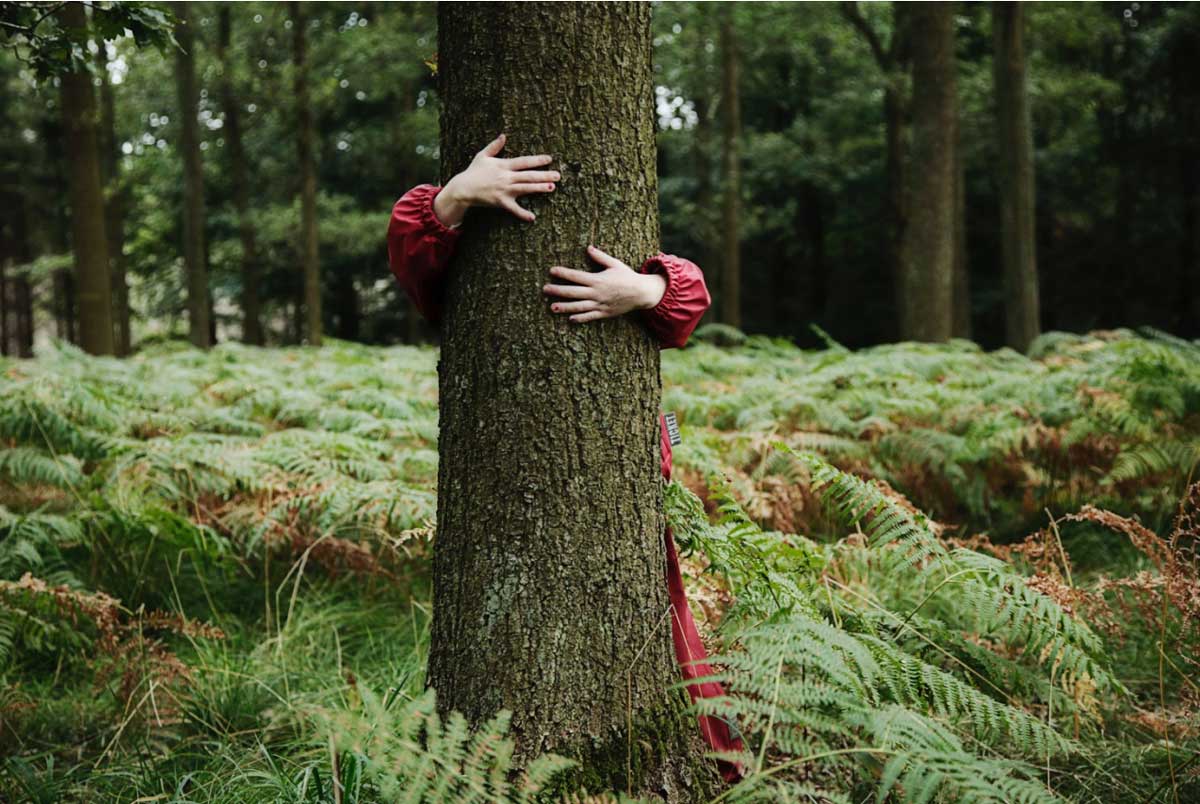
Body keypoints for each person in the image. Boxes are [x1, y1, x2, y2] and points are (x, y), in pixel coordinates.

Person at [387, 133, 743, 780]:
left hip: (628, 478)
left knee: (669, 624)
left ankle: (712, 762)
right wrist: (456, 196)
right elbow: (416, 269)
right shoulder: (450, 239)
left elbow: (688, 302)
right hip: (506, 481)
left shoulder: (644, 260)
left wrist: (646, 293)